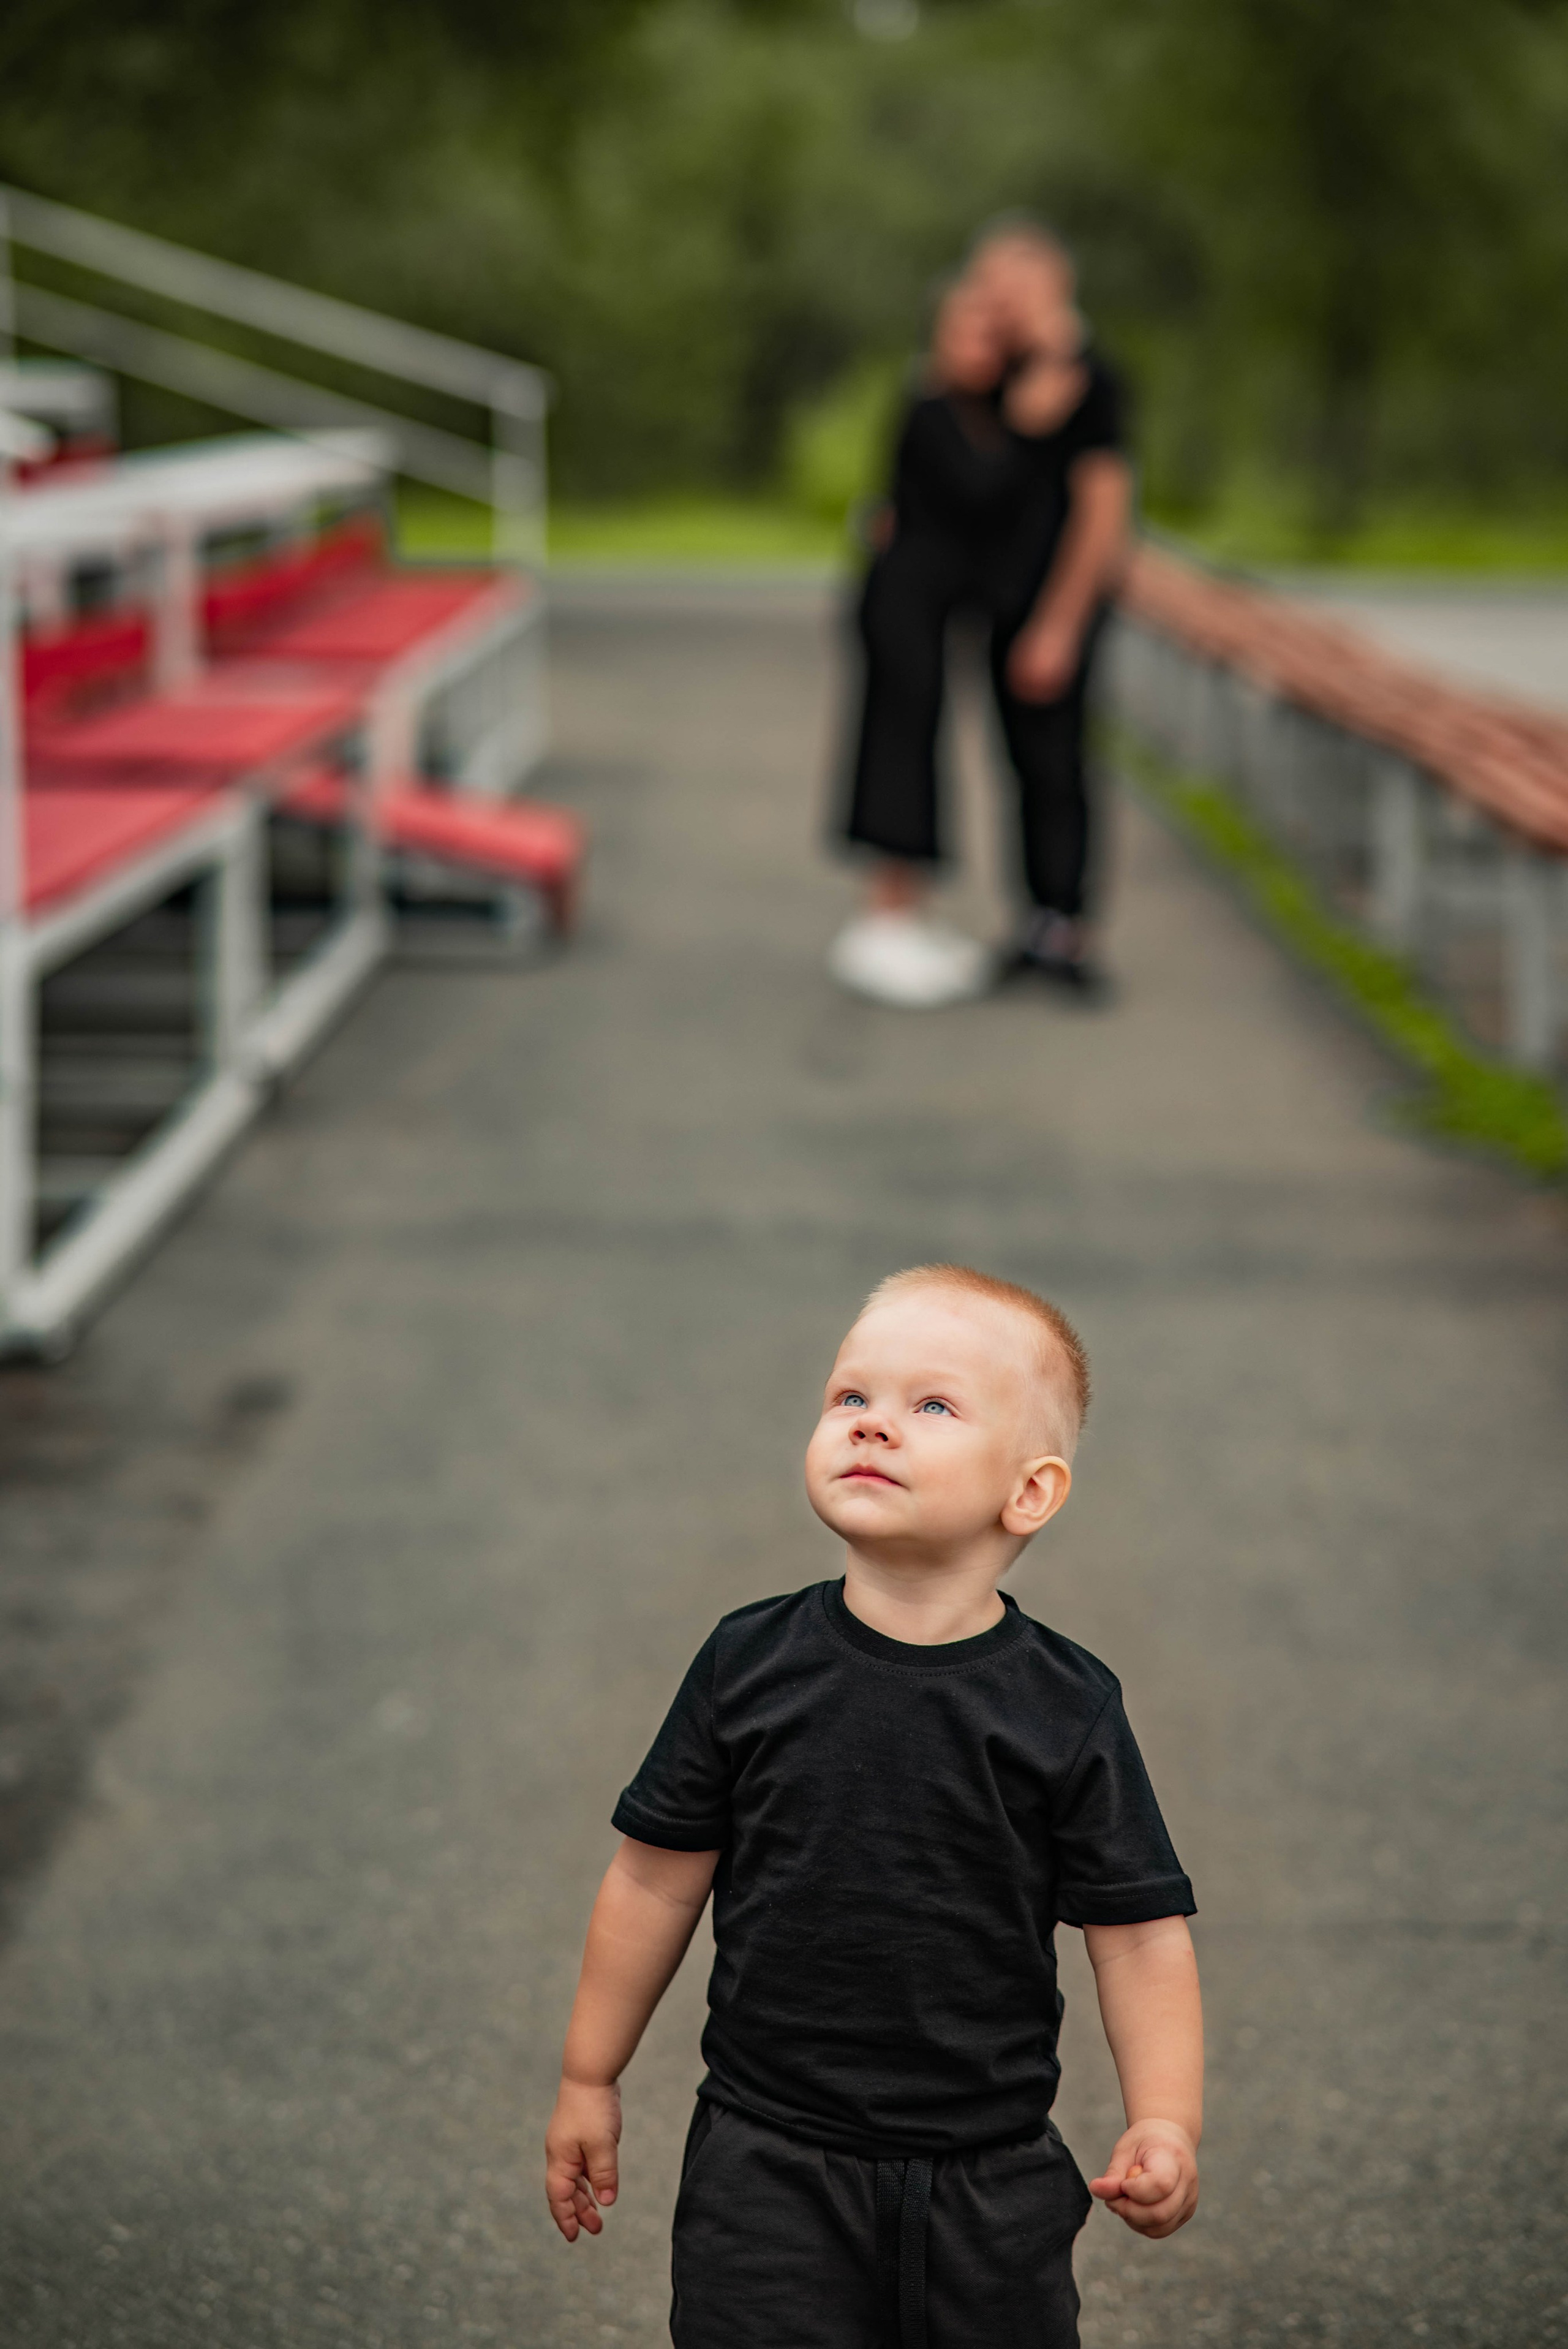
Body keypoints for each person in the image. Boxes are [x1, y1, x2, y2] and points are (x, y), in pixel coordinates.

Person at [545, 1264, 1203, 2349]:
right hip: (766, 2158)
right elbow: (654, 1874)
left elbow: (1137, 1938)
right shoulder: (748, 1662)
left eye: (931, 1405)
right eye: (851, 1396)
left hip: (990, 2172)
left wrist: (1166, 2117)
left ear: (1030, 1490)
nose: (873, 1426)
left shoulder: (1064, 1706)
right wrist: (587, 2070)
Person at [831, 222, 1133, 1007]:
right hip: (980, 609)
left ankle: (1062, 927)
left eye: (1010, 291)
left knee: (1056, 763)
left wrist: (1061, 623)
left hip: (1049, 609)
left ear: (1053, 284)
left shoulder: (1090, 382)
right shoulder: (981, 385)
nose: (998, 308)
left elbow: (1102, 513)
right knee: (1008, 764)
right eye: (986, 293)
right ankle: (1022, 922)